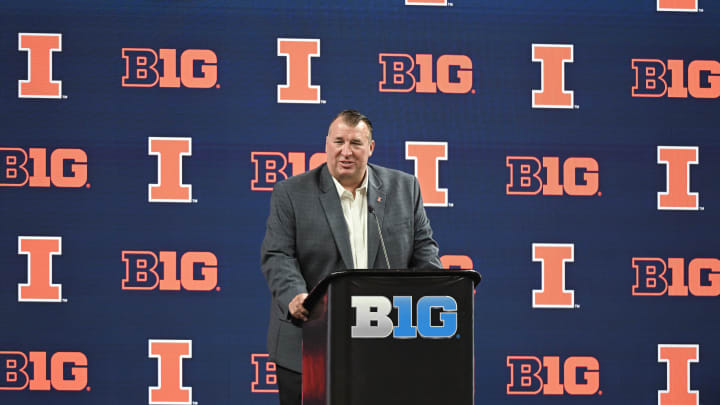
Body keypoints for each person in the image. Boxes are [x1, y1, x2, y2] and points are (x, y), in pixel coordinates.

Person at [261, 109, 442, 405]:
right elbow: (278, 254)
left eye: (356, 143)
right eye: (339, 142)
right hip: (310, 342)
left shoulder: (404, 188)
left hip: (384, 342)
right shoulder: (291, 193)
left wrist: (441, 293)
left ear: (370, 148)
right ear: (326, 145)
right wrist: (295, 295)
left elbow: (424, 251)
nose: (346, 152)